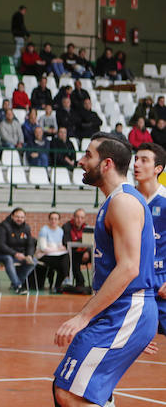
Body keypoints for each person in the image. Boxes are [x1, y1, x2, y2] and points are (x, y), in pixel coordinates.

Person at [53, 133, 158, 407]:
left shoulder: (123, 202)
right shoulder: (116, 200)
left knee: (68, 392)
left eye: (88, 155)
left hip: (127, 310)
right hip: (122, 314)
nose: (81, 160)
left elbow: (129, 268)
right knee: (75, 387)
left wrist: (82, 317)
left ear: (107, 163)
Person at [133, 143, 166, 342]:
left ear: (158, 169)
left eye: (144, 160)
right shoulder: (127, 198)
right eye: (136, 159)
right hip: (133, 281)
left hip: (161, 280)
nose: (136, 164)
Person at [0, 208, 36, 294]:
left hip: (17, 255)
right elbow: (0, 245)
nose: (19, 219)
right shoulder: (3, 227)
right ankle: (17, 286)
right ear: (12, 216)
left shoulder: (26, 228)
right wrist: (15, 254)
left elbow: (30, 244)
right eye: (17, 217)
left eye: (22, 217)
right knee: (8, 259)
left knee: (34, 261)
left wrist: (29, 255)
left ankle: (18, 281)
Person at [62, 208, 92, 287]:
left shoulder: (87, 228)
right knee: (73, 259)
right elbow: (66, 243)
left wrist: (88, 252)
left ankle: (99, 284)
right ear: (73, 217)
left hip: (85, 253)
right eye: (77, 217)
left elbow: (91, 242)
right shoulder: (66, 227)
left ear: (84, 219)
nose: (79, 220)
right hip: (73, 254)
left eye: (82, 218)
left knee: (97, 257)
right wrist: (80, 242)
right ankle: (80, 282)